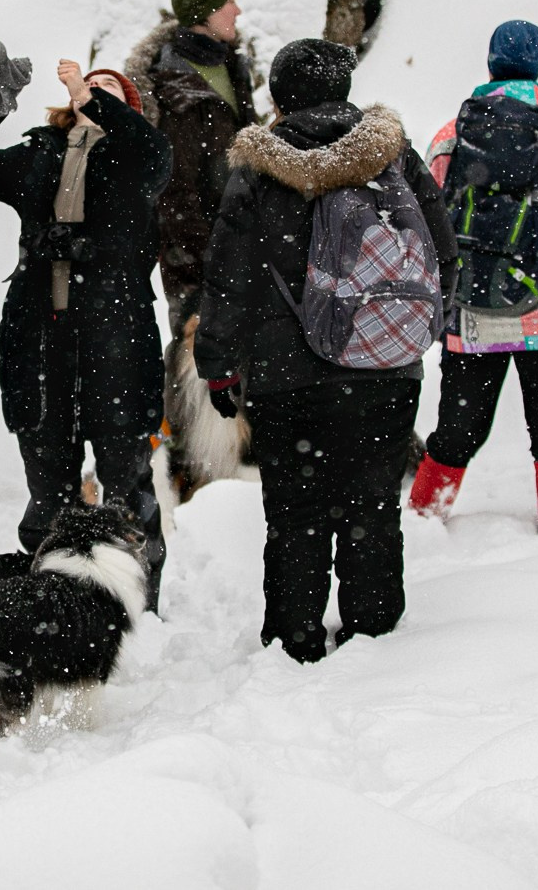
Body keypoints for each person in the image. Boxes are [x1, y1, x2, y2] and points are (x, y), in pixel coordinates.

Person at [195, 39, 455, 663]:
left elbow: (228, 277)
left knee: (295, 509)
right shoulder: (394, 158)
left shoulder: (258, 170)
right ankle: (372, 629)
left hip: (290, 377)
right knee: (371, 500)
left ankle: (296, 637)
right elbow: (443, 253)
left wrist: (219, 366)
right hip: (384, 365)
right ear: (344, 88)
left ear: (280, 98)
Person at [0, 45, 172, 608]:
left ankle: (137, 604)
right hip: (40, 346)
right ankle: (54, 604)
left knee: (126, 488)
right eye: (86, 87)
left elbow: (150, 148)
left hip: (116, 344)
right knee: (49, 493)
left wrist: (92, 98)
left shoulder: (138, 158)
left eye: (110, 89)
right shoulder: (41, 151)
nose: (91, 93)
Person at [408, 21, 538, 527]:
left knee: (457, 427)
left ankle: (422, 518)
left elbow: (425, 230)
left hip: (473, 312)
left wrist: (436, 305)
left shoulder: (448, 140)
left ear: (490, 63)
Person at [124, 0, 257, 335]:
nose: (238, 10)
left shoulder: (234, 67)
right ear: (205, 13)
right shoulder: (171, 82)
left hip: (242, 244)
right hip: (196, 257)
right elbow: (174, 187)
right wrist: (211, 252)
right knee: (195, 362)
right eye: (228, 2)